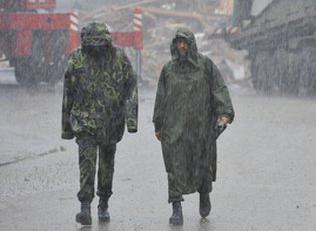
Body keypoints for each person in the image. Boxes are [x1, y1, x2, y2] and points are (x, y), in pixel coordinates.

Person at [153, 28, 234, 225]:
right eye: (179, 42)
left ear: (191, 44)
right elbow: (161, 98)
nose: (182, 46)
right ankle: (176, 207)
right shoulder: (168, 70)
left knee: (202, 166)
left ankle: (204, 193)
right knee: (173, 167)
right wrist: (158, 123)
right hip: (174, 129)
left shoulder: (205, 66)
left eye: (185, 42)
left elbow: (219, 89)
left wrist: (224, 114)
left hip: (201, 128)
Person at [61, 22, 138, 226]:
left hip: (111, 123)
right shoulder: (77, 58)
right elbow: (68, 92)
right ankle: (85, 206)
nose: (96, 49)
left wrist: (131, 120)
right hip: (85, 122)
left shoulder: (119, 58)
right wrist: (67, 127)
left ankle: (103, 202)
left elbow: (131, 87)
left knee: (106, 166)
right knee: (87, 164)